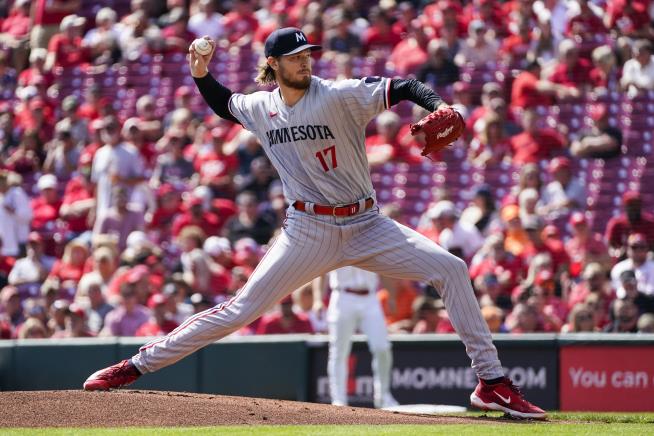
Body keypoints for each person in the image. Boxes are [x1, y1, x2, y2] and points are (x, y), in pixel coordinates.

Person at [83, 27, 545, 419]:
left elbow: (402, 86)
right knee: (238, 312)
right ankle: (135, 366)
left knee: (452, 269)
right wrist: (200, 72)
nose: (305, 63)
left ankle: (492, 382)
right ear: (273, 64)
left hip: (367, 223)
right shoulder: (262, 108)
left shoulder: (339, 95)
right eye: (294, 58)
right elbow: (225, 104)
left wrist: (438, 105)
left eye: (307, 55)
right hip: (308, 231)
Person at [318, 266, 399, 409]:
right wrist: (317, 299)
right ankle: (339, 400)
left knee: (382, 347)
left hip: (370, 298)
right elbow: (321, 271)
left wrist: (391, 295)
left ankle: (383, 396)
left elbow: (383, 269)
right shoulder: (334, 243)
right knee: (339, 352)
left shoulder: (374, 242)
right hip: (342, 297)